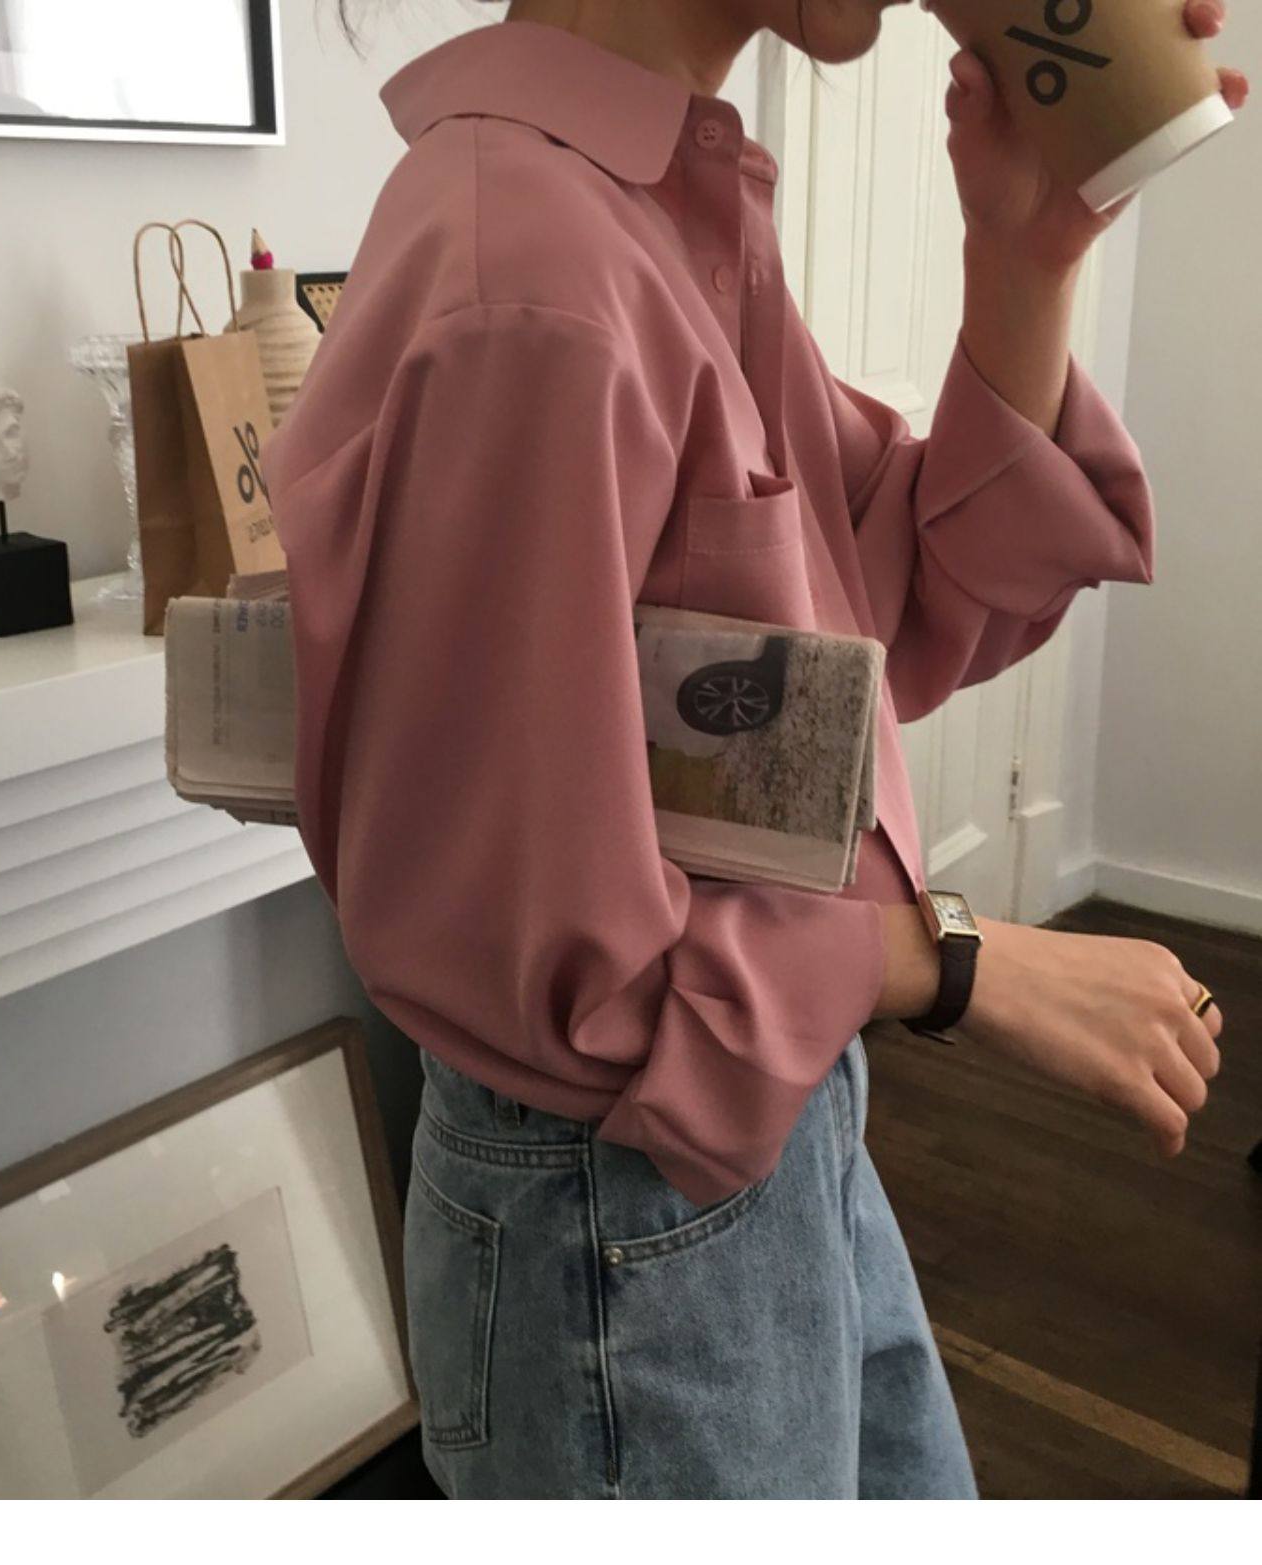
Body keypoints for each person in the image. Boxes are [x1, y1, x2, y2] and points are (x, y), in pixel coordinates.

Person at [259, 0, 1245, 1499]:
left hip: (749, 1139)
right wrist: (957, 958)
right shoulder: (530, 273)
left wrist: (1026, 254)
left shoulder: (653, 214)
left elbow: (891, 610)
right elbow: (534, 955)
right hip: (621, 1201)